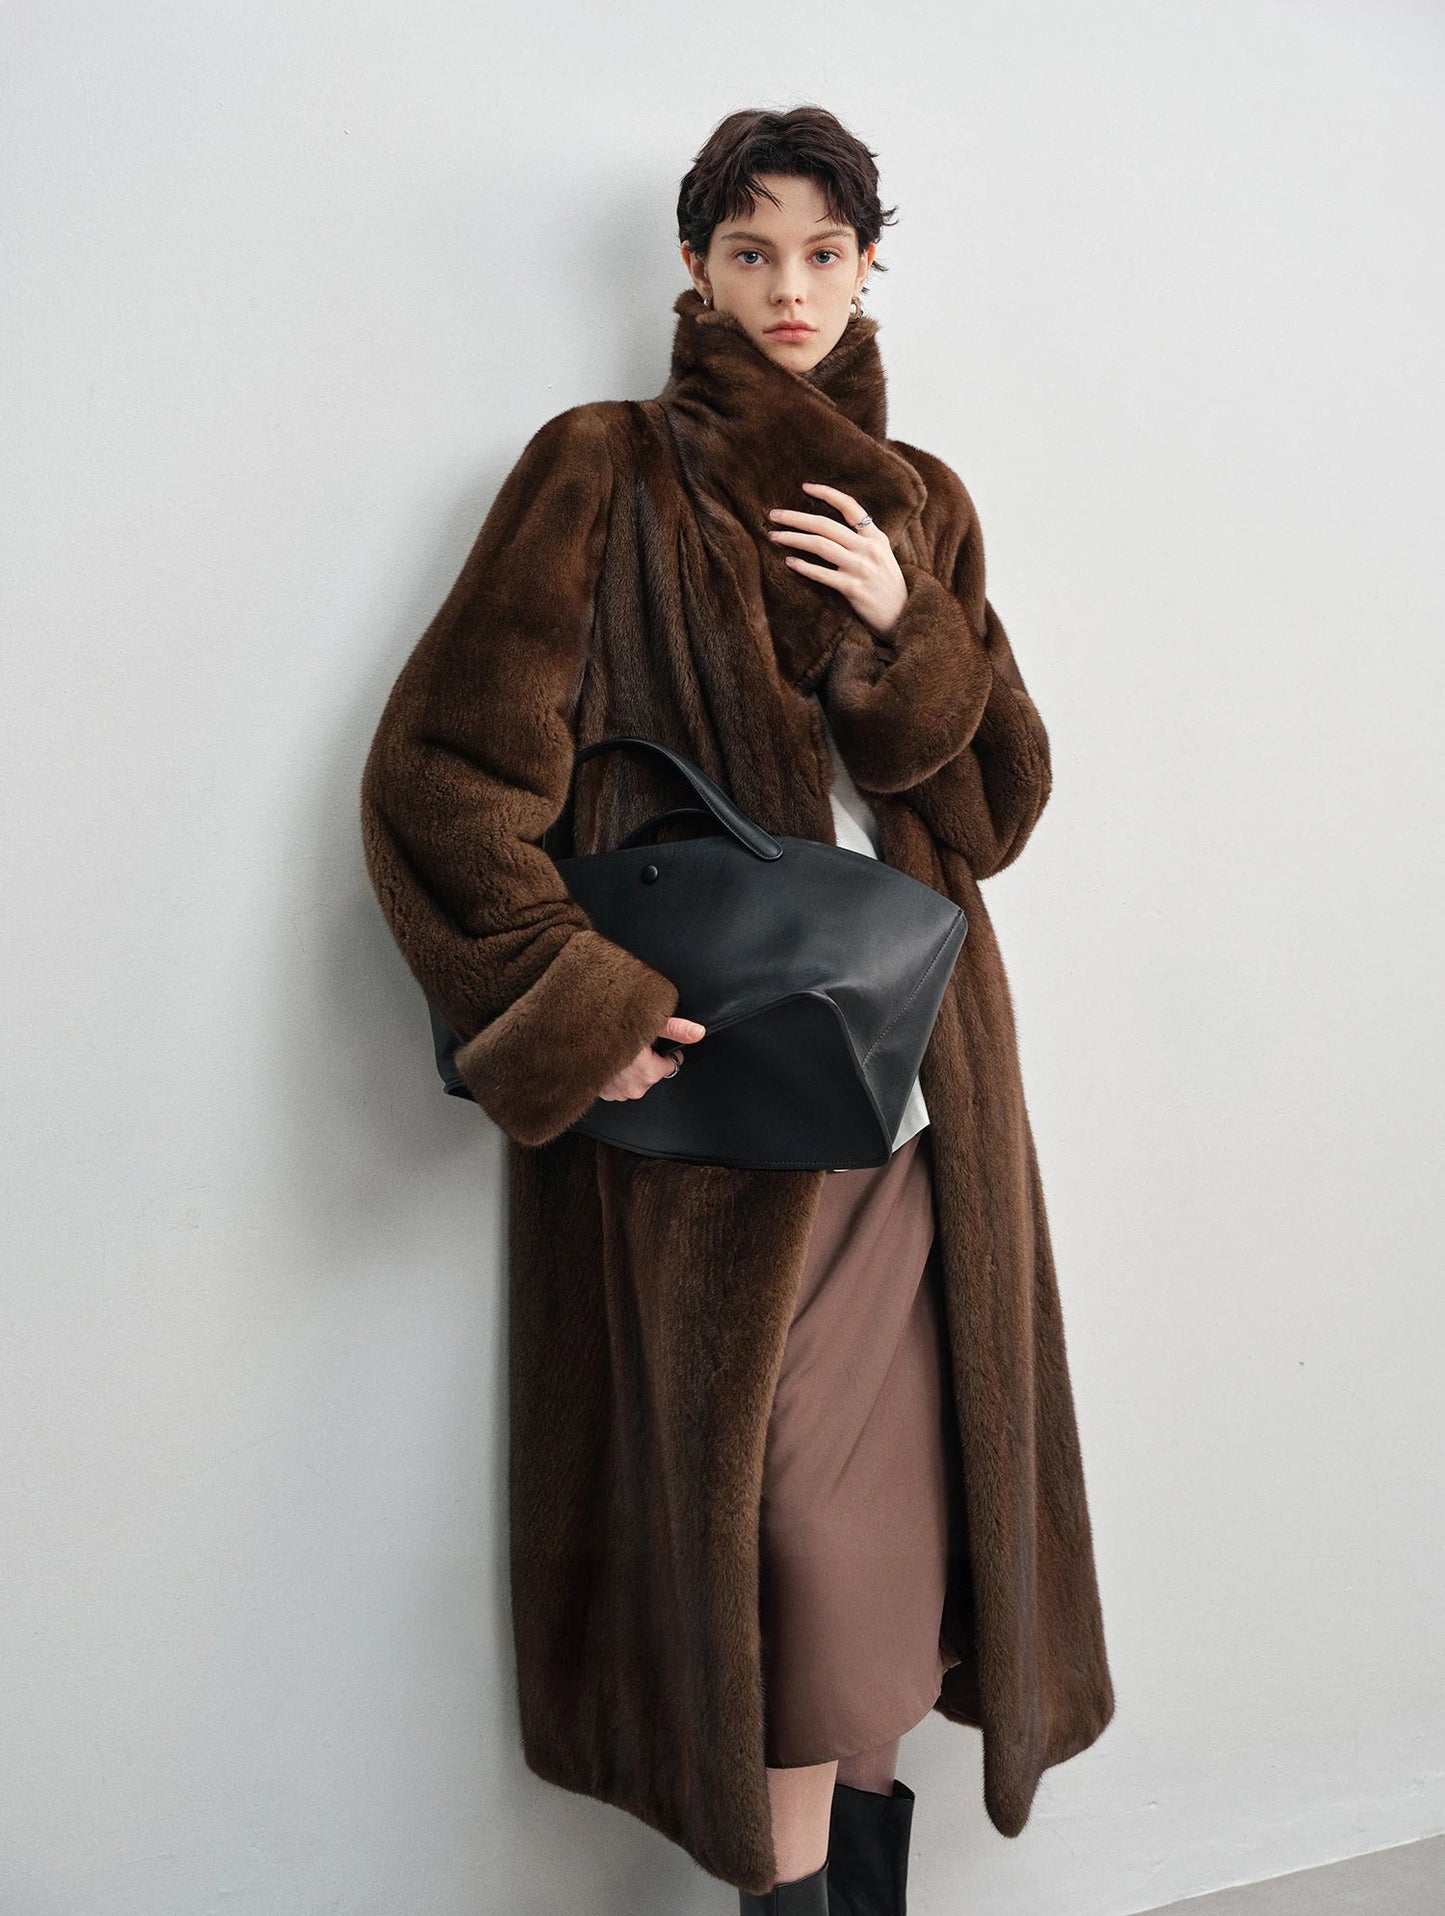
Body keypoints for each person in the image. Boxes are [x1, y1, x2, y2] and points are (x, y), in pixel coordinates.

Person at [360, 105, 1114, 1912]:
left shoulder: (919, 501)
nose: (789, 286)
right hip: (708, 1104)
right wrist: (569, 1001)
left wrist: (906, 635)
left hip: (920, 1106)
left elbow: (991, 814)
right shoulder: (598, 467)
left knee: (891, 1547)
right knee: (777, 1541)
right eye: (751, 249)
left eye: (823, 252)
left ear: (868, 267)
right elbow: (445, 775)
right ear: (692, 267)